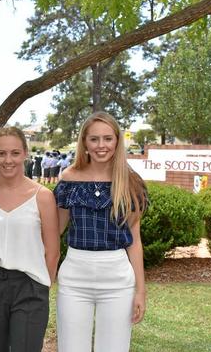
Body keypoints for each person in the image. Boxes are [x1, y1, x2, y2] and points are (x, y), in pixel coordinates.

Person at [53, 112, 148, 352]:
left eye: (107, 138)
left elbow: (134, 242)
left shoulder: (131, 182)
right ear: (84, 142)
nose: (101, 145)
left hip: (118, 279)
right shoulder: (69, 179)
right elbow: (55, 231)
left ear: (117, 141)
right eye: (94, 139)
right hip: (74, 276)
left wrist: (141, 290)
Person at [0, 127, 60, 352]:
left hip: (30, 286)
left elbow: (52, 251)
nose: (8, 160)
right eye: (1, 153)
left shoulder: (43, 197)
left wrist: (40, 286)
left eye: (15, 153)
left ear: (25, 153)